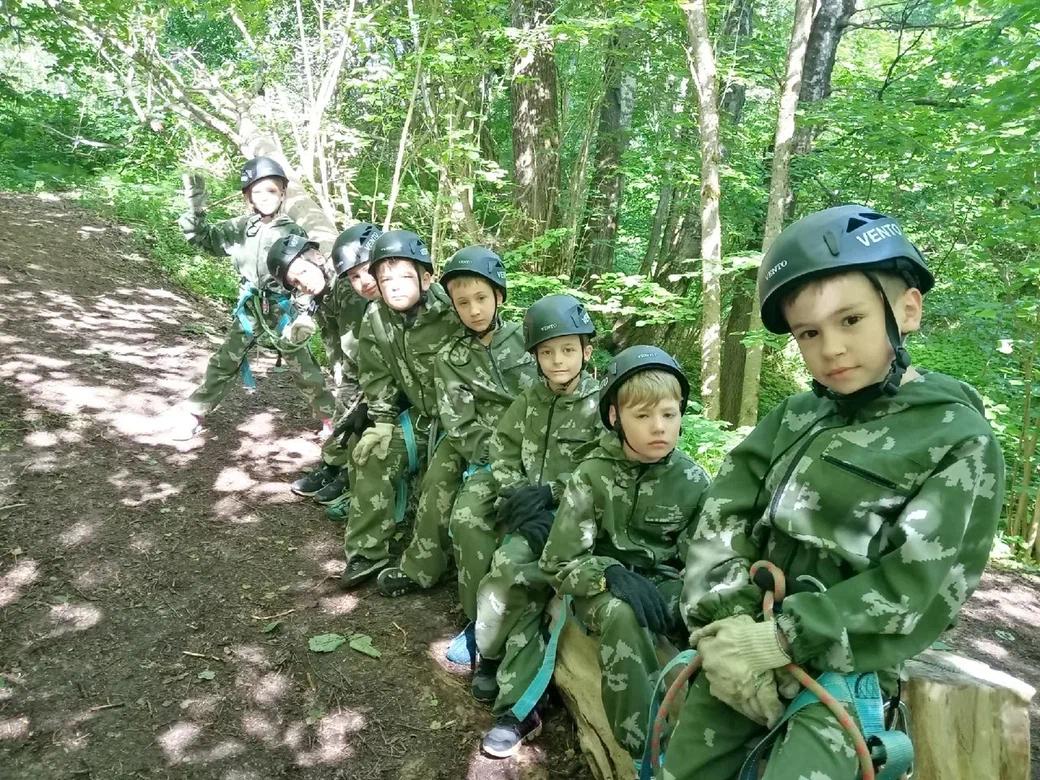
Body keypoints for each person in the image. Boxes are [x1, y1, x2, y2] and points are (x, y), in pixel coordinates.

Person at [662, 205, 1004, 780]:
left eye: (851, 320)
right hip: (742, 637)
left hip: (847, 664)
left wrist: (783, 639)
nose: (832, 348)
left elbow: (918, 585)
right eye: (809, 333)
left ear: (907, 310)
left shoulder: (955, 438)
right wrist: (727, 626)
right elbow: (723, 516)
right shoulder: (795, 417)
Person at [500, 346, 709, 763]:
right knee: (622, 615)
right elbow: (558, 564)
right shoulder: (591, 474)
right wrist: (609, 572)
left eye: (669, 414)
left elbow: (702, 562)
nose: (659, 427)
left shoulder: (693, 479)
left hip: (662, 582)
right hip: (599, 588)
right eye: (642, 415)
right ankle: (645, 750)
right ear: (615, 417)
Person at [376, 246, 537, 597]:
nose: (474, 310)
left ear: (499, 296)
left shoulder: (529, 340)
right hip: (475, 438)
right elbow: (459, 423)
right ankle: (421, 567)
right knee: (437, 480)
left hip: (532, 438)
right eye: (462, 303)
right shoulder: (451, 357)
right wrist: (495, 455)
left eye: (481, 298)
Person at [462, 294, 603, 692]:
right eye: (546, 352)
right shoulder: (529, 400)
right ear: (535, 357)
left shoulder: (601, 406)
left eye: (568, 350)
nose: (558, 360)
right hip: (525, 507)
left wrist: (552, 494)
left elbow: (600, 468)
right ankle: (489, 652)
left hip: (572, 515)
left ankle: (514, 666)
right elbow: (502, 448)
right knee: (499, 557)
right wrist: (518, 494)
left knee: (515, 567)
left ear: (586, 352)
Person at [169, 156, 335, 440]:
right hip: (250, 308)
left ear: (282, 194)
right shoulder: (240, 228)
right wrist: (196, 209)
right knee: (226, 359)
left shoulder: (293, 232)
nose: (265, 197)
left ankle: (329, 417)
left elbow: (308, 272)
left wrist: (304, 310)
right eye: (257, 191)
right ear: (248, 196)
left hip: (283, 308)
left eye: (271, 190)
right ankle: (196, 412)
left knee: (303, 365)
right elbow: (205, 239)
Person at [339, 229, 464, 588]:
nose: (395, 287)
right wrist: (381, 420)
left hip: (460, 425)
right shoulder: (376, 317)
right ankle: (366, 552)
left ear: (426, 279)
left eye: (405, 277)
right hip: (419, 420)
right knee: (371, 453)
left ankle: (425, 567)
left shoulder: (453, 312)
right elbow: (376, 372)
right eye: (385, 279)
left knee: (439, 481)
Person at [290, 223, 383, 507]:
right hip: (368, 374)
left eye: (303, 272)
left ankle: (345, 470)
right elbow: (339, 346)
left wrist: (358, 394)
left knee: (356, 409)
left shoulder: (349, 290)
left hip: (383, 382)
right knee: (350, 407)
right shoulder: (327, 294)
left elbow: (356, 352)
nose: (303, 283)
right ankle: (335, 465)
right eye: (295, 282)